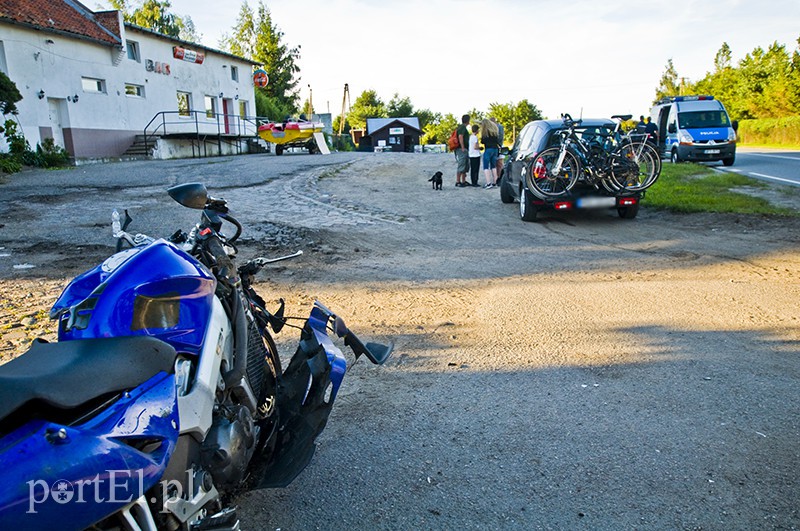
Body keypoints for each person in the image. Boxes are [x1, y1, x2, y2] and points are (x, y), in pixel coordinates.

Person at [479, 118, 500, 188]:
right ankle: (495, 181)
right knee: (493, 166)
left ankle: (488, 183)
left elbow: (482, 141)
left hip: (488, 149)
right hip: (495, 149)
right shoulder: (494, 131)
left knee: (486, 166)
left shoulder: (485, 132)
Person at [454, 114, 470, 187]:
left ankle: (463, 181)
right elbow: (460, 136)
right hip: (461, 149)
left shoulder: (460, 127)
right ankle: (458, 181)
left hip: (463, 148)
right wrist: (463, 147)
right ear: (468, 120)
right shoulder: (462, 127)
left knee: (465, 164)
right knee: (461, 164)